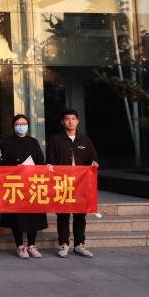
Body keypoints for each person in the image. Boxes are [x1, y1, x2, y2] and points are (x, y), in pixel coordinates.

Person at [47, 109, 99, 259]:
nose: (70, 121)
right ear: (62, 122)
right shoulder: (56, 140)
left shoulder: (85, 141)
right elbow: (50, 161)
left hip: (81, 184)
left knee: (80, 215)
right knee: (63, 215)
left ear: (78, 121)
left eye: (73, 119)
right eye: (67, 119)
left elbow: (93, 159)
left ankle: (79, 245)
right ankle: (63, 244)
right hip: (62, 183)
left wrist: (94, 163)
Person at [0, 114, 48, 260]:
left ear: (28, 126)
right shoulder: (7, 142)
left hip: (31, 183)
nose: (21, 126)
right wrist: (16, 167)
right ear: (13, 127)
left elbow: (40, 161)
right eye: (18, 124)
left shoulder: (33, 142)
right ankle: (20, 246)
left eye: (24, 124)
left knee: (33, 215)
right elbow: (3, 163)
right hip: (15, 183)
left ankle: (32, 245)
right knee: (17, 217)